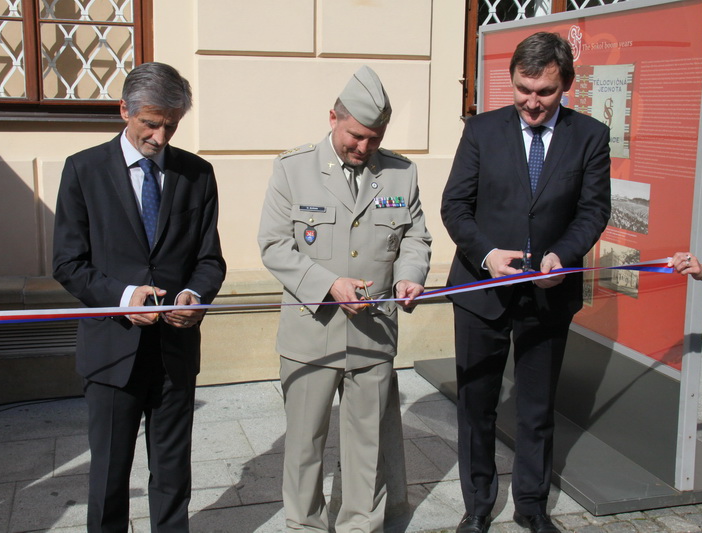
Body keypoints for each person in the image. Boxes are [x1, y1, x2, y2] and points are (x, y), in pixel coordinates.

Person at [440, 32, 611, 533]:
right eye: (523, 89)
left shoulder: (590, 135)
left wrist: (565, 253)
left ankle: (531, 507)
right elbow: (455, 205)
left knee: (536, 410)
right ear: (511, 81)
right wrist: (488, 254)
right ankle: (477, 507)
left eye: (545, 93)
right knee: (477, 407)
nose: (532, 103)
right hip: (480, 291)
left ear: (567, 87)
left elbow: (593, 209)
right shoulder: (482, 131)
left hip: (548, 296)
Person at [53, 62, 226, 533]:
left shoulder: (197, 174)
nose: (160, 136)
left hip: (174, 353)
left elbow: (210, 259)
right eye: (151, 123)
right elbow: (67, 263)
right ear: (124, 109)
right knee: (109, 475)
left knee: (172, 476)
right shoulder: (83, 170)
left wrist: (193, 295)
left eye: (171, 125)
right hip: (112, 353)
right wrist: (125, 296)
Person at [257, 66, 432, 533]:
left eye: (374, 138)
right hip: (310, 335)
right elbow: (274, 246)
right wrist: (328, 285)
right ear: (333, 116)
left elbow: (416, 238)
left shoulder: (401, 173)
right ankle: (306, 526)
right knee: (305, 446)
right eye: (356, 136)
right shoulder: (292, 170)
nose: (364, 148)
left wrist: (410, 276)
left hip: (374, 334)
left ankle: (362, 525)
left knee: (367, 447)